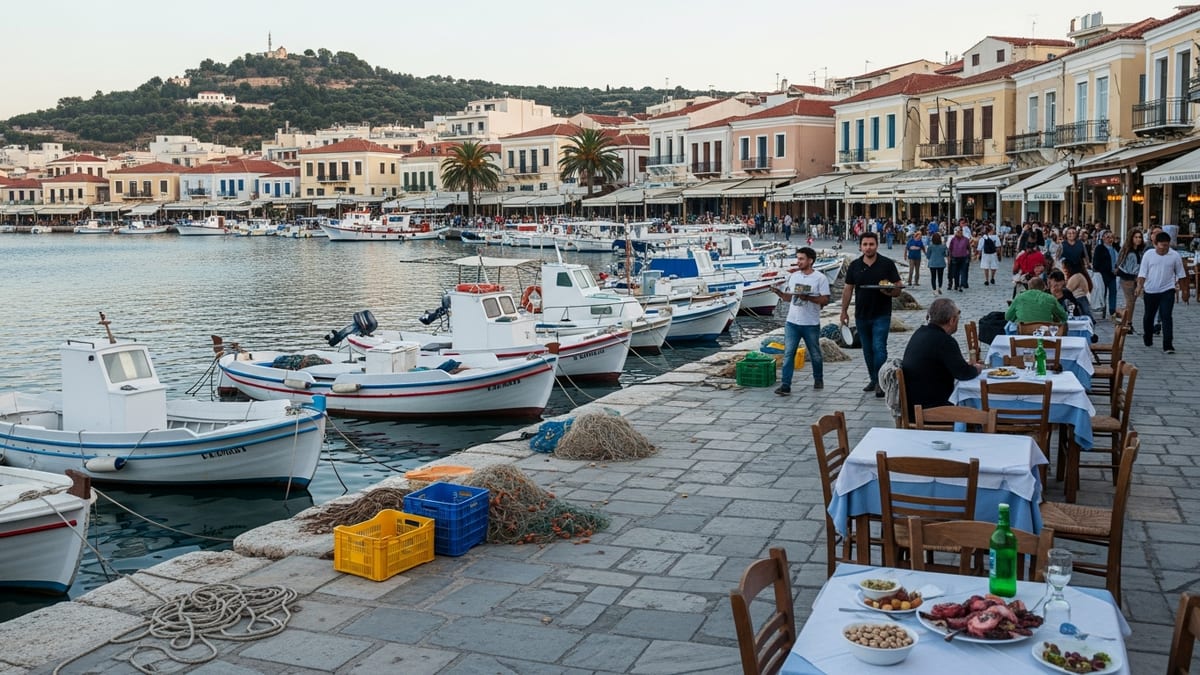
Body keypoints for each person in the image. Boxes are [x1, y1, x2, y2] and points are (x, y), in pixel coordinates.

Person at [840, 232, 903, 397]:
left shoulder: (887, 264)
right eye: (865, 244)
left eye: (871, 244)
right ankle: (874, 379)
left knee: (879, 347)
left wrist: (888, 291)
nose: (868, 247)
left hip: (881, 313)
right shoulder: (854, 266)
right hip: (861, 314)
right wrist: (843, 311)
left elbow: (898, 289)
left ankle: (881, 383)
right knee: (867, 349)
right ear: (860, 246)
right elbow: (848, 289)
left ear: (877, 245)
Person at [901, 297, 984, 417]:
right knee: (978, 412)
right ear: (952, 320)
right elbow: (963, 374)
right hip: (932, 408)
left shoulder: (920, 332)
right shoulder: (945, 341)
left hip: (914, 404)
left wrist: (965, 365)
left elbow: (949, 364)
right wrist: (977, 368)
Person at [771, 247, 830, 395]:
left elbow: (825, 299)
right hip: (792, 322)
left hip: (810, 322)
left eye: (801, 259)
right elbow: (789, 297)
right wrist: (779, 293)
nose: (798, 262)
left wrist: (808, 298)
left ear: (810, 260)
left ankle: (818, 378)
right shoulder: (794, 276)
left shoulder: (820, 278)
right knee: (789, 353)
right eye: (798, 259)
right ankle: (786, 385)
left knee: (815, 353)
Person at [1137, 230, 1186, 354]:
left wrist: (1184, 292)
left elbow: (1181, 274)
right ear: (1155, 243)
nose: (1165, 248)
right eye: (1162, 245)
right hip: (1150, 290)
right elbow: (1142, 273)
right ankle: (1148, 337)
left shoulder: (1174, 256)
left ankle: (1168, 345)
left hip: (1167, 290)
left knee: (1166, 316)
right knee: (1149, 316)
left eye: (1167, 245)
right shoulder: (1149, 255)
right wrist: (1139, 287)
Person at [1116, 228, 1146, 325]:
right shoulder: (1128, 251)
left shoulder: (1140, 251)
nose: (1138, 239)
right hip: (1127, 279)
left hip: (1136, 279)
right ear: (1131, 238)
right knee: (1130, 302)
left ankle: (1123, 318)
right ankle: (1127, 323)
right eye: (1136, 237)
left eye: (1140, 237)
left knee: (1132, 302)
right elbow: (1122, 267)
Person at [1093, 230, 1119, 319]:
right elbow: (1096, 263)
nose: (1110, 239)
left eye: (1111, 237)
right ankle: (1102, 310)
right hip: (1103, 275)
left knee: (1113, 292)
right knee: (1102, 293)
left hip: (1113, 275)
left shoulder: (1115, 248)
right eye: (1107, 237)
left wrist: (1117, 269)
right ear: (1103, 238)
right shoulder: (1100, 248)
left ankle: (1112, 311)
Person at [947, 226, 972, 291]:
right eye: (958, 231)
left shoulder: (966, 239)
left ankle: (963, 284)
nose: (959, 232)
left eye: (960, 231)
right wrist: (949, 258)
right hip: (955, 257)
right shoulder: (953, 239)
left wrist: (969, 256)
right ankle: (957, 285)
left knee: (964, 271)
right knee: (956, 272)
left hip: (964, 257)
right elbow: (950, 249)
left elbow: (969, 248)